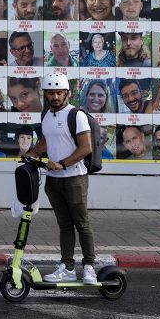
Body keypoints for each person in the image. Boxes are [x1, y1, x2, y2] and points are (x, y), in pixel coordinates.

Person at [24, 72, 97, 285]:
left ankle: (89, 267)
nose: (55, 96)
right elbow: (47, 141)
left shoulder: (76, 115)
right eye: (51, 93)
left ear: (67, 93)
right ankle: (67, 267)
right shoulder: (47, 116)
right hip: (53, 180)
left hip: (74, 178)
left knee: (81, 223)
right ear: (45, 95)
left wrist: (63, 163)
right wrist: (32, 153)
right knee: (64, 225)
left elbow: (86, 147)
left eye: (59, 92)